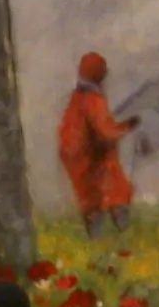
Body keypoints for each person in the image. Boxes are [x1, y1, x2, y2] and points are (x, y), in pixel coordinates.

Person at [56, 49, 135, 233]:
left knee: (89, 200)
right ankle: (122, 233)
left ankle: (96, 238)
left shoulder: (76, 98)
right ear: (98, 74)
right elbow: (105, 132)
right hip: (92, 156)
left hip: (75, 156)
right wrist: (126, 126)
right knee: (117, 191)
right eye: (103, 71)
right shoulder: (93, 99)